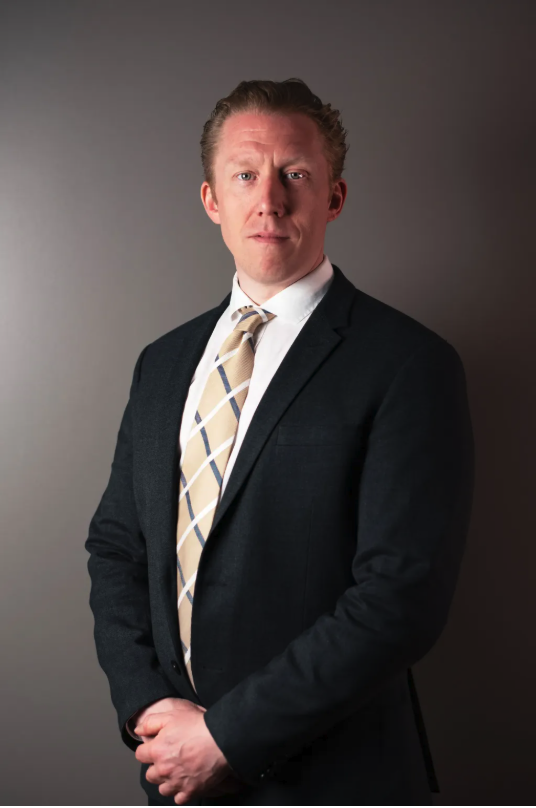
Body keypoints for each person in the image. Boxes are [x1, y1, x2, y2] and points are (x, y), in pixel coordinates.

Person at [85, 78, 475, 806]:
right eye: (244, 174)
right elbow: (116, 546)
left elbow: (400, 599)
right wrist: (146, 709)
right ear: (211, 200)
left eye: (295, 173)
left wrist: (227, 737)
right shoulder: (163, 363)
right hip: (177, 776)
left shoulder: (408, 363)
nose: (269, 198)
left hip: (337, 780)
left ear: (334, 197)